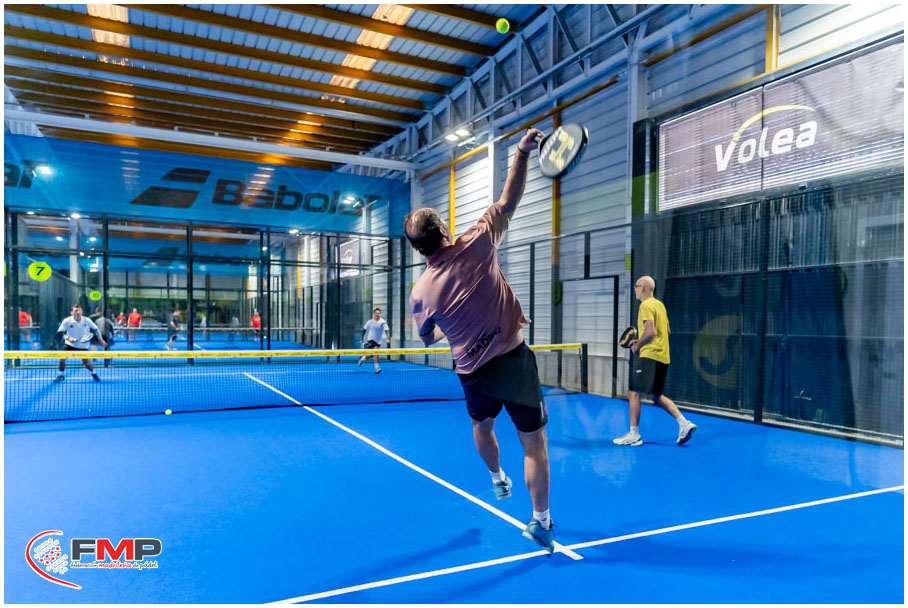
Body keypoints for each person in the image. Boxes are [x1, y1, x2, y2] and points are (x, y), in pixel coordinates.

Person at [405, 128, 558, 554]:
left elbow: (427, 337)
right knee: (534, 444)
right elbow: (509, 200)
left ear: (418, 249)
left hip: (472, 374)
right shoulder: (478, 242)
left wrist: (451, 324)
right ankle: (542, 521)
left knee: (482, 426)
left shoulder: (421, 293)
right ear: (443, 227)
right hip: (512, 361)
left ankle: (497, 478)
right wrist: (522, 153)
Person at [613, 276, 697, 447]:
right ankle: (684, 424)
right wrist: (644, 340)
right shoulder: (660, 305)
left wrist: (638, 345)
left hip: (650, 356)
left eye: (636, 286)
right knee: (656, 395)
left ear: (644, 288)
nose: (635, 289)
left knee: (633, 392)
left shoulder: (645, 305)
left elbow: (650, 332)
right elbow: (667, 330)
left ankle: (634, 435)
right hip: (663, 357)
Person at [54, 304, 106, 382]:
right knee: (62, 359)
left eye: (79, 310)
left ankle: (94, 373)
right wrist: (68, 338)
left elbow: (96, 329)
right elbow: (60, 333)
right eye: (76, 311)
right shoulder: (67, 321)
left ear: (82, 312)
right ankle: (60, 375)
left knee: (86, 363)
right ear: (71, 312)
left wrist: (100, 339)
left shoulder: (87, 320)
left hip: (83, 346)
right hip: (69, 344)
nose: (78, 312)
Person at [358, 307, 390, 374]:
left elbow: (386, 330)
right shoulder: (370, 322)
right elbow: (364, 329)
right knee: (376, 352)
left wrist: (388, 338)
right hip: (371, 340)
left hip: (378, 341)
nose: (377, 314)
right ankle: (377, 368)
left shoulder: (383, 322)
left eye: (379, 313)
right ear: (374, 314)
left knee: (371, 355)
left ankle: (362, 359)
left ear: (380, 314)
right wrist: (362, 338)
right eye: (376, 313)